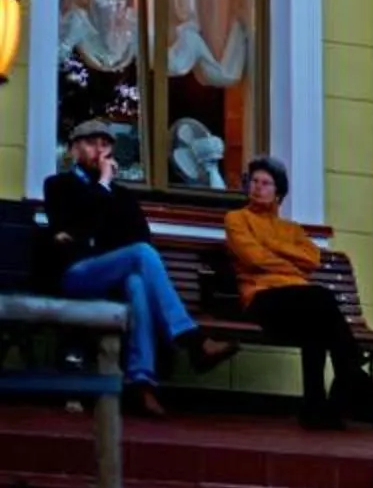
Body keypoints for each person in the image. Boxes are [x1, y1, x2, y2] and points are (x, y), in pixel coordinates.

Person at [43, 112, 232, 415]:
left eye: (106, 144)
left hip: (115, 278)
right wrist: (102, 187)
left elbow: (133, 236)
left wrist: (90, 228)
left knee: (137, 282)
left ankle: (141, 383)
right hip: (76, 276)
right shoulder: (58, 185)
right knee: (140, 255)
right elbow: (71, 228)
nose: (100, 151)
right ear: (73, 149)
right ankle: (192, 341)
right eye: (92, 143)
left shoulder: (123, 197)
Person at [223, 155, 373, 429]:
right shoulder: (236, 219)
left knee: (315, 328)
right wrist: (288, 261)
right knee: (321, 298)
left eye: (266, 183)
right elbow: (254, 258)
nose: (258, 187)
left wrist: (273, 248)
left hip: (297, 301)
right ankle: (350, 371)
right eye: (254, 182)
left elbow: (312, 259)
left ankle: (315, 409)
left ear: (278, 192)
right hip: (261, 298)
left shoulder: (291, 229)